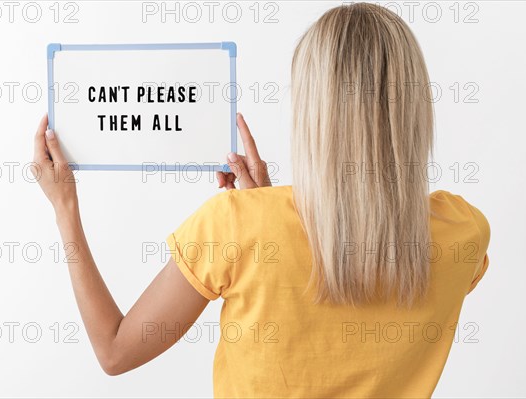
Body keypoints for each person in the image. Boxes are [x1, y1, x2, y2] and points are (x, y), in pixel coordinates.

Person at [32, 3, 490, 397]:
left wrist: (65, 209)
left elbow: (114, 351)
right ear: (411, 109)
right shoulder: (463, 231)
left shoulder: (235, 225)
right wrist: (266, 212)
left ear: (313, 110)